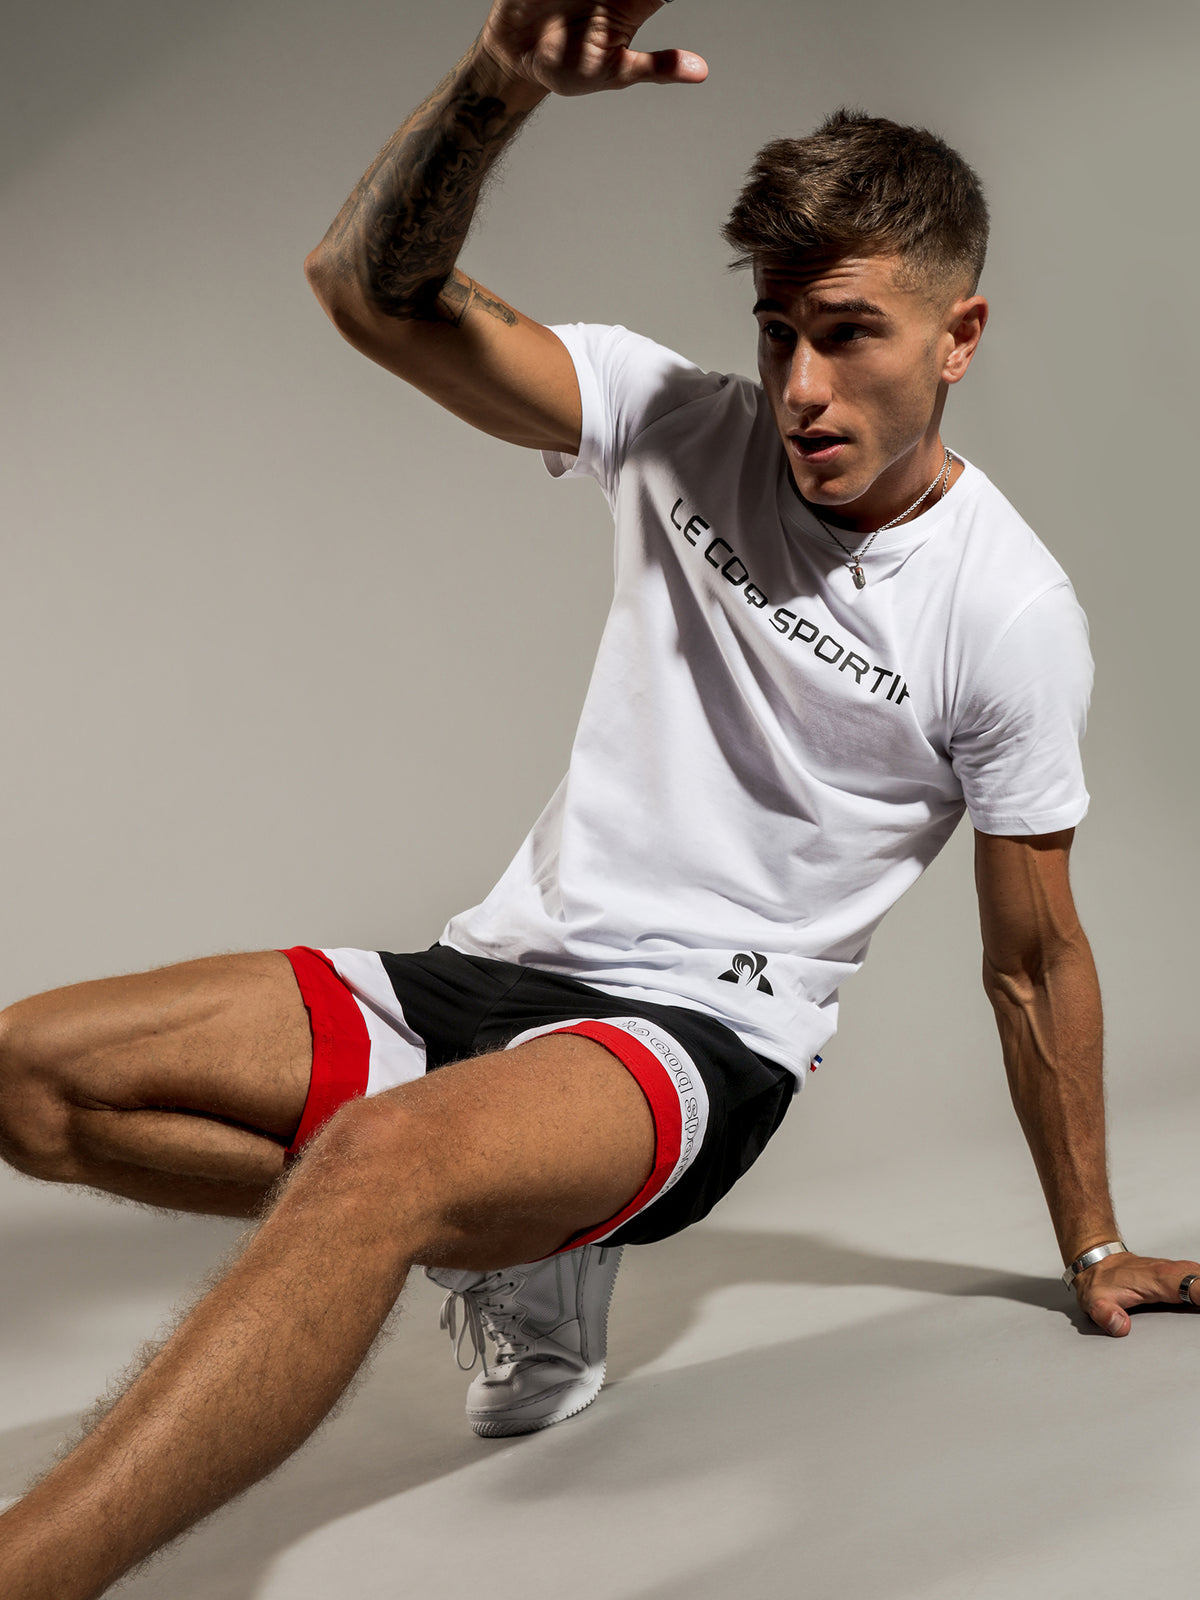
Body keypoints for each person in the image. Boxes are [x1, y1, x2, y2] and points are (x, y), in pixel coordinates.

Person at [1, 2, 1197, 1594]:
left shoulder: (1008, 610)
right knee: (30, 1080)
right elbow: (366, 292)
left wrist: (1095, 1243)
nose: (802, 385)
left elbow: (1034, 958)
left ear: (958, 335)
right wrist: (499, 85)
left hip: (697, 1037)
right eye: (778, 331)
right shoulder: (672, 419)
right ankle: (525, 1236)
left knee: (376, 1168)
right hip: (494, 970)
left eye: (850, 333)